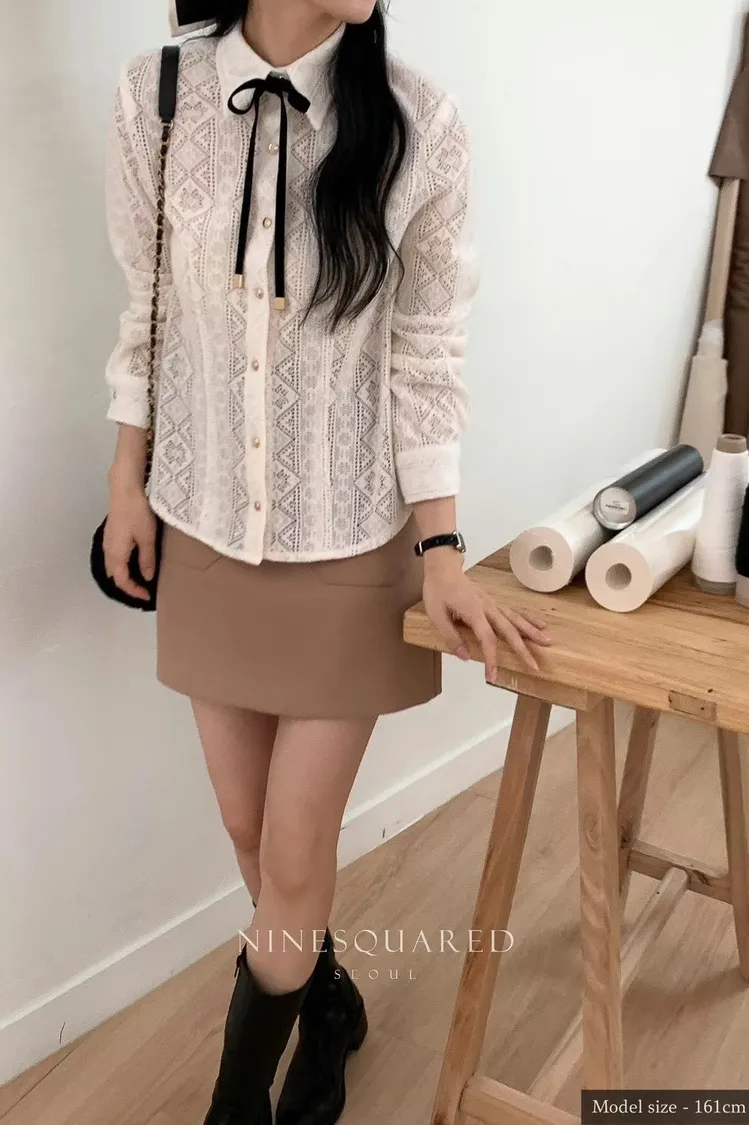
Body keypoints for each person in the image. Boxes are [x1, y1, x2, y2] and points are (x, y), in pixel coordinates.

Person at [102, 1, 551, 1121]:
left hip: (352, 539)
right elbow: (144, 313)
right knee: (252, 836)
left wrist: (442, 548)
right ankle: (328, 1000)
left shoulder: (417, 121)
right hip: (204, 525)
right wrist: (126, 485)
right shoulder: (157, 98)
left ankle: (235, 1107)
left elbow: (428, 351)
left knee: (295, 855)